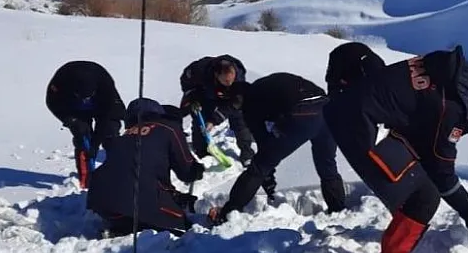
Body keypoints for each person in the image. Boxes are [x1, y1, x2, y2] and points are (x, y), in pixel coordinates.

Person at [322, 45, 468, 253]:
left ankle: (401, 228)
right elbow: (442, 171)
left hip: (358, 110)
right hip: (357, 125)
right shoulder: (452, 108)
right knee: (424, 197)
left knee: (418, 179)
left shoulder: (451, 75)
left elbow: (425, 134)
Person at [207, 72, 347, 226]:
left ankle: (227, 214)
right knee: (327, 166)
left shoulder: (250, 104)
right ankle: (339, 211)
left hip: (302, 114)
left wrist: (267, 176)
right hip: (326, 109)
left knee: (258, 168)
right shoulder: (264, 85)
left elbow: (264, 144)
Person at [87, 98, 206, 237]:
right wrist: (196, 170)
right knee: (186, 227)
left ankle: (122, 228)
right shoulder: (169, 127)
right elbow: (186, 171)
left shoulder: (123, 136)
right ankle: (130, 229)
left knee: (136, 211)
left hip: (100, 202)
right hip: (139, 200)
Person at [45, 60, 126, 189]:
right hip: (73, 106)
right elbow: (53, 103)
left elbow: (105, 117)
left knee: (110, 134)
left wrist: (95, 144)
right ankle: (86, 181)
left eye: (88, 97)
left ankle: (117, 176)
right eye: (82, 96)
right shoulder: (61, 80)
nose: (85, 100)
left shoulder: (105, 83)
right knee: (82, 137)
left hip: (103, 104)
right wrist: (71, 121)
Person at [179, 55, 255, 166]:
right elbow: (186, 81)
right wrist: (192, 96)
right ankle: (202, 151)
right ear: (216, 75)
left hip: (230, 97)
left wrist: (214, 120)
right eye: (226, 80)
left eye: (231, 80)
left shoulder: (238, 78)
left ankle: (247, 153)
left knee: (240, 120)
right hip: (206, 94)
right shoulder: (199, 70)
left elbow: (235, 104)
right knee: (200, 119)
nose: (229, 83)